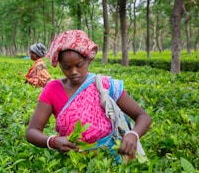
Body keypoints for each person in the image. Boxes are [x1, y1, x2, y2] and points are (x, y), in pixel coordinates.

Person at [26, 30, 151, 162]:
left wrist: (133, 134)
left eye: (79, 65)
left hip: (110, 161)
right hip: (73, 163)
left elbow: (143, 116)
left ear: (88, 60)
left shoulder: (105, 85)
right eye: (66, 67)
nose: (73, 72)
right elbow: (32, 131)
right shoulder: (52, 90)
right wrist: (53, 141)